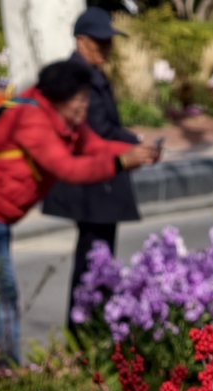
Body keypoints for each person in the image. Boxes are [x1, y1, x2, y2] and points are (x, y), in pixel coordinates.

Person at [0, 60, 158, 368]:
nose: (85, 106)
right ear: (59, 97)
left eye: (87, 98)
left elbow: (95, 146)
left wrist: (137, 152)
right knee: (1, 290)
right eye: (80, 99)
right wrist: (120, 163)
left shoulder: (66, 119)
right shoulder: (30, 119)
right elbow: (67, 168)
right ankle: (3, 369)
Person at [42, 7, 151, 332]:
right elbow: (96, 131)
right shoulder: (78, 76)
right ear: (81, 40)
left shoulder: (90, 73)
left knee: (98, 259)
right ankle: (84, 331)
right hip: (90, 186)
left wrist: (133, 145)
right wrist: (132, 145)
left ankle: (94, 328)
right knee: (92, 261)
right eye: (100, 41)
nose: (106, 48)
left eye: (109, 41)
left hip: (99, 181)